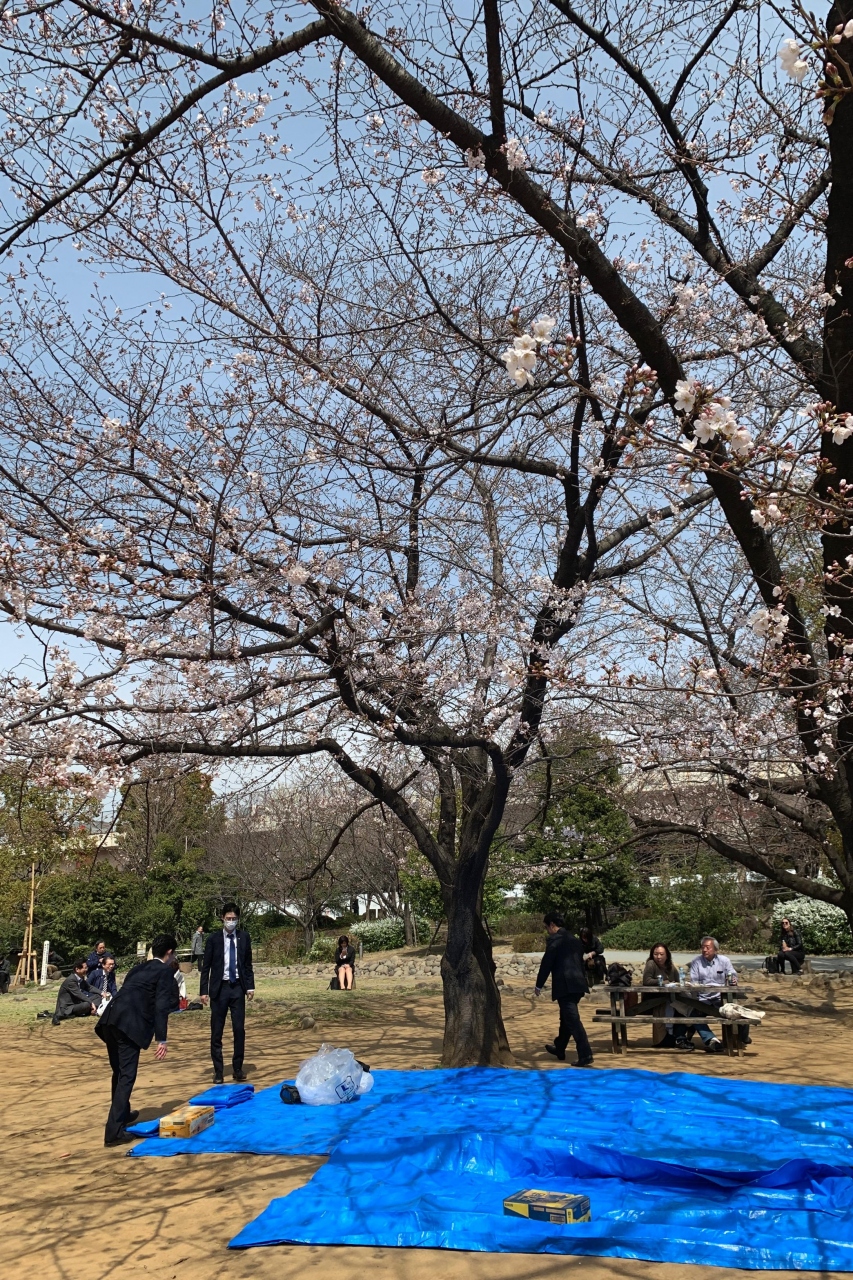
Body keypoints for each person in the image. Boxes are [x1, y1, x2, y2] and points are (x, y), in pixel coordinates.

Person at [95, 932, 176, 1147]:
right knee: (127, 1075)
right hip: (129, 1025)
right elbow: (162, 1005)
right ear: (169, 952)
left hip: (110, 1020)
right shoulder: (164, 971)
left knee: (119, 1072)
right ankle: (113, 1133)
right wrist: (162, 1039)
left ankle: (122, 1113)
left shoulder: (139, 968)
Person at [200, 903, 255, 1084]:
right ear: (222, 918)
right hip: (219, 989)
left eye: (234, 919)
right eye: (228, 918)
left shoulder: (244, 937)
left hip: (238, 987)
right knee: (217, 1031)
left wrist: (250, 986)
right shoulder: (213, 939)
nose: (231, 921)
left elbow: (247, 964)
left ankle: (238, 1068)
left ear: (238, 919)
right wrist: (203, 991)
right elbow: (206, 967)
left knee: (239, 1029)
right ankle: (218, 1071)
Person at [534, 912, 594, 1067]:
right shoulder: (574, 939)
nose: (547, 930)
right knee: (566, 1018)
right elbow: (580, 962)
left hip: (565, 986)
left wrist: (539, 984)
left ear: (552, 925)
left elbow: (547, 963)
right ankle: (560, 1047)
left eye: (546, 927)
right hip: (578, 985)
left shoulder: (555, 940)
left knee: (573, 1020)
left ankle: (585, 1054)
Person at [681, 935, 747, 1054]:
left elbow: (732, 974)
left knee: (738, 1012)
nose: (704, 950)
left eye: (708, 947)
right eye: (703, 947)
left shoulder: (724, 961)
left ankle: (743, 1037)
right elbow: (694, 982)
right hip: (703, 998)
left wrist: (733, 979)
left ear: (715, 949)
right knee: (693, 1014)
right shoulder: (696, 962)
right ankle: (711, 1041)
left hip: (720, 998)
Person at [642, 943, 680, 1048]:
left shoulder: (671, 966)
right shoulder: (651, 964)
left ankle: (678, 1035)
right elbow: (646, 981)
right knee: (667, 1003)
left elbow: (678, 981)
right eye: (656, 954)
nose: (658, 957)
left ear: (667, 955)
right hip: (652, 999)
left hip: (670, 997)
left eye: (661, 954)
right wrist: (662, 982)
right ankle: (666, 1034)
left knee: (685, 1005)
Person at [52, 956, 97, 1024]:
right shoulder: (71, 980)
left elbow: (89, 987)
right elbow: (79, 994)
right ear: (77, 969)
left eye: (87, 967)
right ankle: (89, 1009)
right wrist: (91, 1003)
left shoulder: (80, 978)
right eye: (85, 968)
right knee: (87, 1004)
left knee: (98, 997)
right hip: (68, 1007)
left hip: (77, 1004)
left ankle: (91, 1009)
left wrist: (102, 993)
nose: (86, 969)